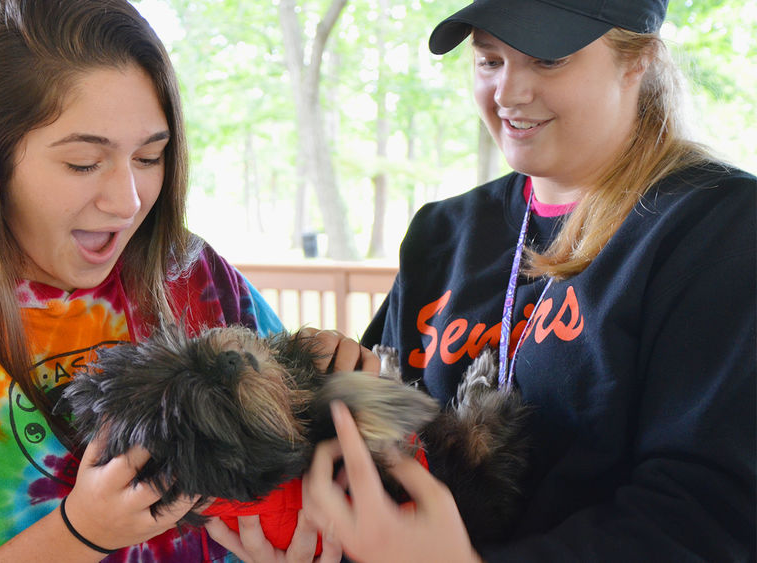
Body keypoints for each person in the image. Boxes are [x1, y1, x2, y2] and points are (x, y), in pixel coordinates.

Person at [0, 1, 361, 561]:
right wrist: (79, 534)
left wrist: (334, 389)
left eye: (149, 157)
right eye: (84, 163)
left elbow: (291, 464)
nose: (128, 202)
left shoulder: (190, 273)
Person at [301, 0, 757, 561]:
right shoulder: (443, 232)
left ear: (638, 59)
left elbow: (709, 512)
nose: (508, 93)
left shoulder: (720, 226)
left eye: (547, 59)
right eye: (489, 60)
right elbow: (378, 423)